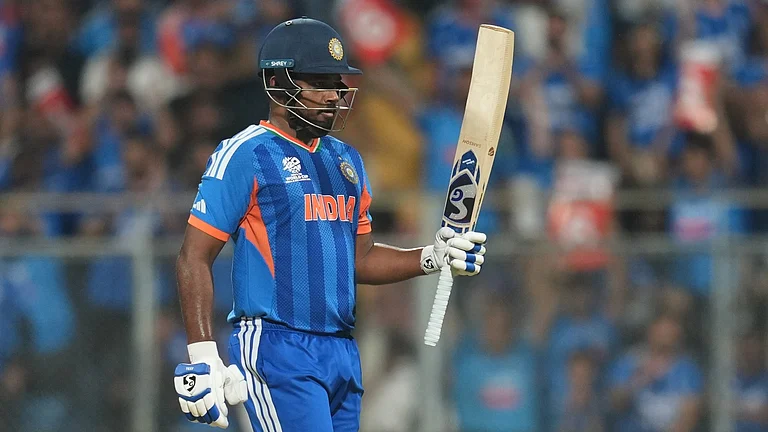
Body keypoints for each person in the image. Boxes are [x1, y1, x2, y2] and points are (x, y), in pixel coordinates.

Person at [172, 17, 488, 431]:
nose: (335, 95)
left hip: (341, 351)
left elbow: (362, 259)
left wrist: (431, 256)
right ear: (278, 81)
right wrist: (203, 355)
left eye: (338, 82)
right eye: (320, 81)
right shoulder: (245, 153)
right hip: (277, 346)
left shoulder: (347, 161)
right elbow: (193, 257)